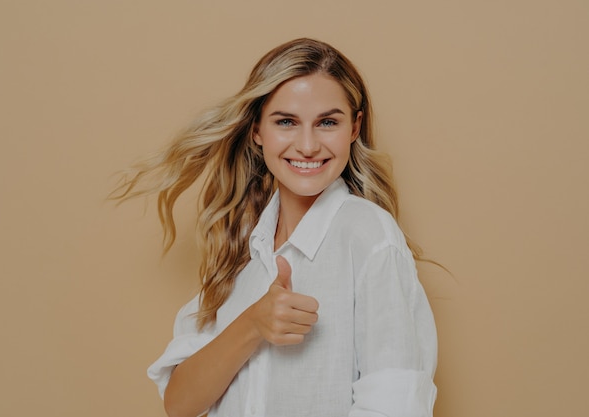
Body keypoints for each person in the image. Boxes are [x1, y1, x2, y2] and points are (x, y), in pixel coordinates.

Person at [113, 38, 437, 417]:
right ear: (256, 131)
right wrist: (252, 323)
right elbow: (180, 404)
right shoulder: (242, 248)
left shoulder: (369, 238)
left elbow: (395, 406)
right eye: (286, 122)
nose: (307, 145)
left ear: (354, 128)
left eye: (328, 122)